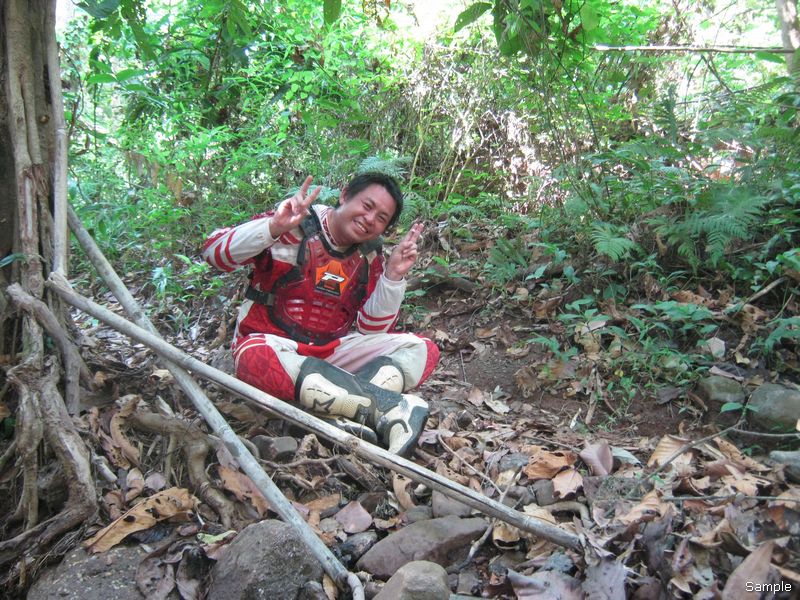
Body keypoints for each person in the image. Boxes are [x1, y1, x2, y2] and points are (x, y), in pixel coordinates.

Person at [203, 172, 439, 456]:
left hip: (329, 354)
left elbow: (371, 330)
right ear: (344, 195)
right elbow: (213, 253)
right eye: (367, 206)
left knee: (422, 349)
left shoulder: (369, 257)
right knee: (254, 357)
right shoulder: (292, 224)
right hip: (272, 346)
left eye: (381, 218)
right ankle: (386, 409)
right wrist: (272, 227)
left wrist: (392, 276)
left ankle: (340, 414)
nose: (369, 219)